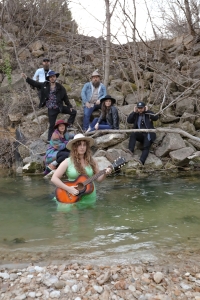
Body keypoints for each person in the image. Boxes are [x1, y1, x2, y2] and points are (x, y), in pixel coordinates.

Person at [51, 133, 112, 208]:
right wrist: (69, 189)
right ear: (74, 147)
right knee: (70, 219)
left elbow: (99, 179)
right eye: (79, 145)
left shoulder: (92, 161)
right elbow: (54, 178)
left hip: (89, 196)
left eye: (84, 145)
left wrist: (105, 173)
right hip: (71, 195)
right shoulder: (67, 161)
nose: (82, 147)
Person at [21, 71, 77, 141]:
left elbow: (65, 98)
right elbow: (35, 83)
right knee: (52, 125)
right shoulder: (45, 85)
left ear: (55, 77)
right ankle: (49, 140)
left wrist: (70, 106)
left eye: (53, 76)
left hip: (59, 107)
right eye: (51, 77)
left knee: (73, 112)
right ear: (49, 78)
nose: (52, 78)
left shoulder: (60, 87)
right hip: (51, 109)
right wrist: (26, 78)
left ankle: (68, 126)